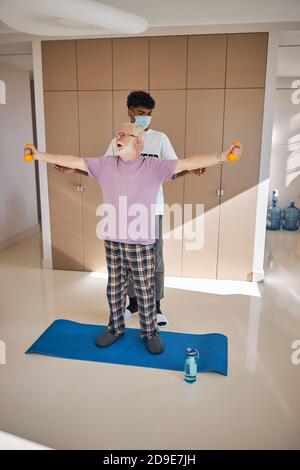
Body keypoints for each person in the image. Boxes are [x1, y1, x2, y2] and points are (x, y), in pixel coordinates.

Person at [29, 122, 242, 354]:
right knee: (115, 287)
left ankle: (149, 332)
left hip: (141, 240)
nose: (117, 137)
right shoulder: (105, 164)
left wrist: (224, 155)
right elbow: (73, 160)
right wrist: (39, 155)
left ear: (139, 142)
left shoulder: (153, 166)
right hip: (113, 238)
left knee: (144, 289)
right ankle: (115, 328)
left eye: (124, 135)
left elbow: (189, 162)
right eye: (117, 133)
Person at [55, 90, 206, 327]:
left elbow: (173, 169)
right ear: (130, 113)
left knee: (153, 259)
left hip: (151, 209)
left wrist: (192, 169)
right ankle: (133, 304)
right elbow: (100, 168)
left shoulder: (160, 138)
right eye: (140, 113)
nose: (145, 118)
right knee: (126, 261)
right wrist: (75, 169)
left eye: (149, 114)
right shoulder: (120, 139)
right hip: (122, 210)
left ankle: (155, 307)